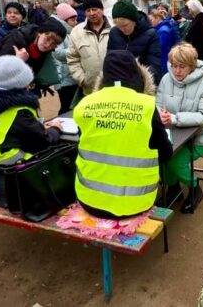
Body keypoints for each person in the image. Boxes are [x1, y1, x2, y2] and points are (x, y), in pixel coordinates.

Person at [73, 50, 173, 219]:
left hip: (89, 199)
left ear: (103, 77)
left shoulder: (85, 104)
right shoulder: (146, 106)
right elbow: (165, 153)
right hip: (136, 202)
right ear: (138, 74)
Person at [0, 55, 64, 184]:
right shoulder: (18, 111)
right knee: (56, 155)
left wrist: (37, 125)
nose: (29, 87)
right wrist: (55, 128)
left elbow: (8, 130)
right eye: (28, 83)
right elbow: (43, 141)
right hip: (2, 173)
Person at [156, 43, 203, 213]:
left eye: (182, 67)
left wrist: (174, 118)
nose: (177, 71)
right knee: (162, 155)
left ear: (192, 65)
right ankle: (173, 188)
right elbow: (158, 104)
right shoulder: (166, 79)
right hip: (173, 134)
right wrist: (159, 114)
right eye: (174, 66)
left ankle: (194, 187)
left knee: (175, 161)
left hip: (202, 136)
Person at [0, 17, 66, 93]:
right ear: (40, 32)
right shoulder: (17, 40)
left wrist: (37, 85)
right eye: (47, 39)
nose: (48, 45)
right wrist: (18, 61)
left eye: (54, 44)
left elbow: (32, 71)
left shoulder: (43, 50)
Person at [66, 0, 111, 95]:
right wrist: (82, 79)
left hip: (114, 87)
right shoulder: (77, 32)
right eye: (88, 10)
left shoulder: (114, 29)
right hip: (90, 89)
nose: (91, 13)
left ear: (102, 9)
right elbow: (72, 59)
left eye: (94, 9)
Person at [108, 0, 162, 83]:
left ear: (134, 20)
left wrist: (134, 79)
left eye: (125, 25)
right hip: (118, 85)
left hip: (141, 86)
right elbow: (110, 61)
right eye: (119, 26)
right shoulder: (114, 32)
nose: (122, 29)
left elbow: (154, 67)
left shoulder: (151, 35)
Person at [51, 3, 81, 114]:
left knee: (71, 105)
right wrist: (77, 51)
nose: (76, 22)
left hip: (70, 76)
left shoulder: (69, 32)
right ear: (64, 20)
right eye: (73, 20)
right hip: (63, 78)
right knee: (66, 106)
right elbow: (57, 53)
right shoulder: (59, 33)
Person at [184, 0, 203, 66]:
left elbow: (196, 40)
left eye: (189, 9)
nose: (189, 12)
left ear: (193, 10)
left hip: (200, 55)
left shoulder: (199, 22)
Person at [149, 9, 174, 76]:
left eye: (151, 20)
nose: (150, 22)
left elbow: (159, 48)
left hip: (163, 63)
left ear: (157, 18)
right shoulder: (161, 29)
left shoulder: (163, 31)